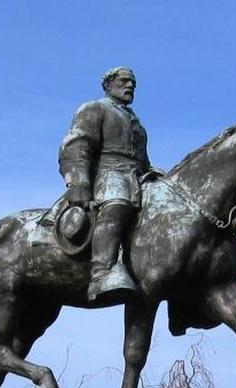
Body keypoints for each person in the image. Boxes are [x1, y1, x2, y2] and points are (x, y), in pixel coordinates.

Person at [59, 66, 157, 303]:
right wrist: (79, 183)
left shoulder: (137, 123)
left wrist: (154, 173)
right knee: (117, 204)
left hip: (136, 177)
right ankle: (101, 273)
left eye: (133, 83)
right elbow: (76, 146)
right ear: (108, 84)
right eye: (124, 81)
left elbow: (142, 160)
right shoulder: (95, 108)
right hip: (108, 174)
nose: (130, 86)